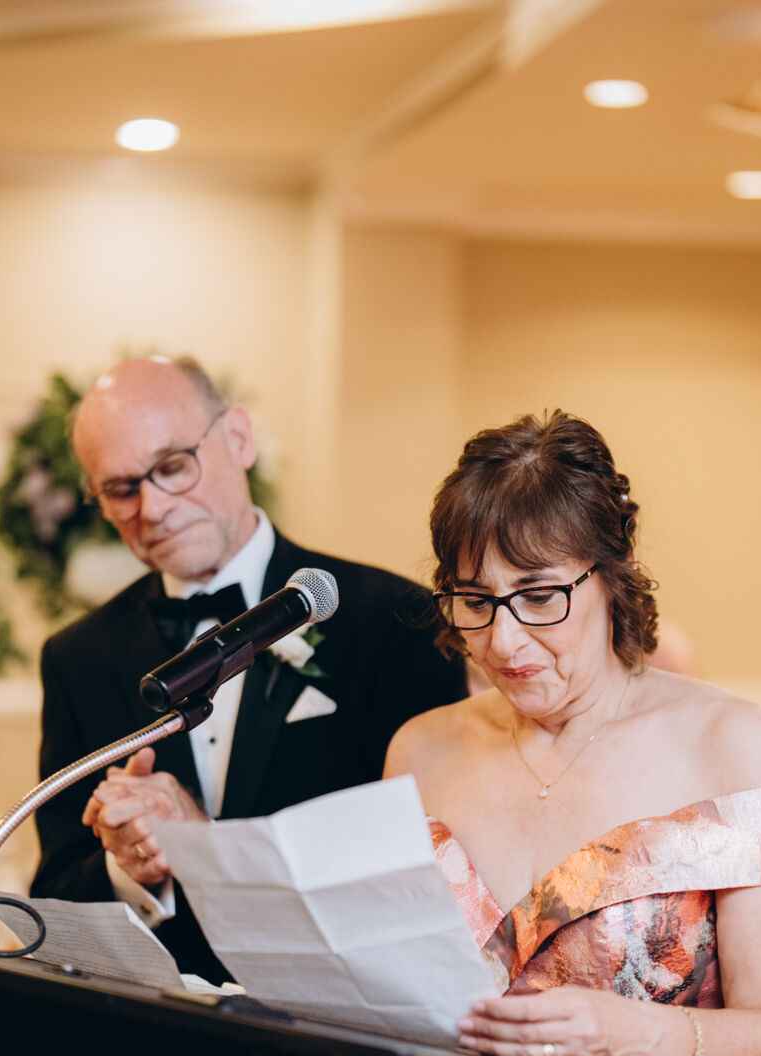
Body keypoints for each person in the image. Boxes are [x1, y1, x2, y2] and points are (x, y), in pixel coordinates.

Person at [384, 411, 761, 1056]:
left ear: (610, 577)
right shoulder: (419, 751)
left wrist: (630, 1031)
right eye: (473, 601)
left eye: (539, 595)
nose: (503, 639)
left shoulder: (726, 740)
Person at [31, 354, 466, 985]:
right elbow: (54, 898)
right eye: (122, 490)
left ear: (239, 437)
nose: (152, 508)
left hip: (341, 1015)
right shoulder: (78, 658)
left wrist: (203, 847)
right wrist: (133, 868)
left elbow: (427, 873)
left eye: (172, 466)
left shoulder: (396, 619)